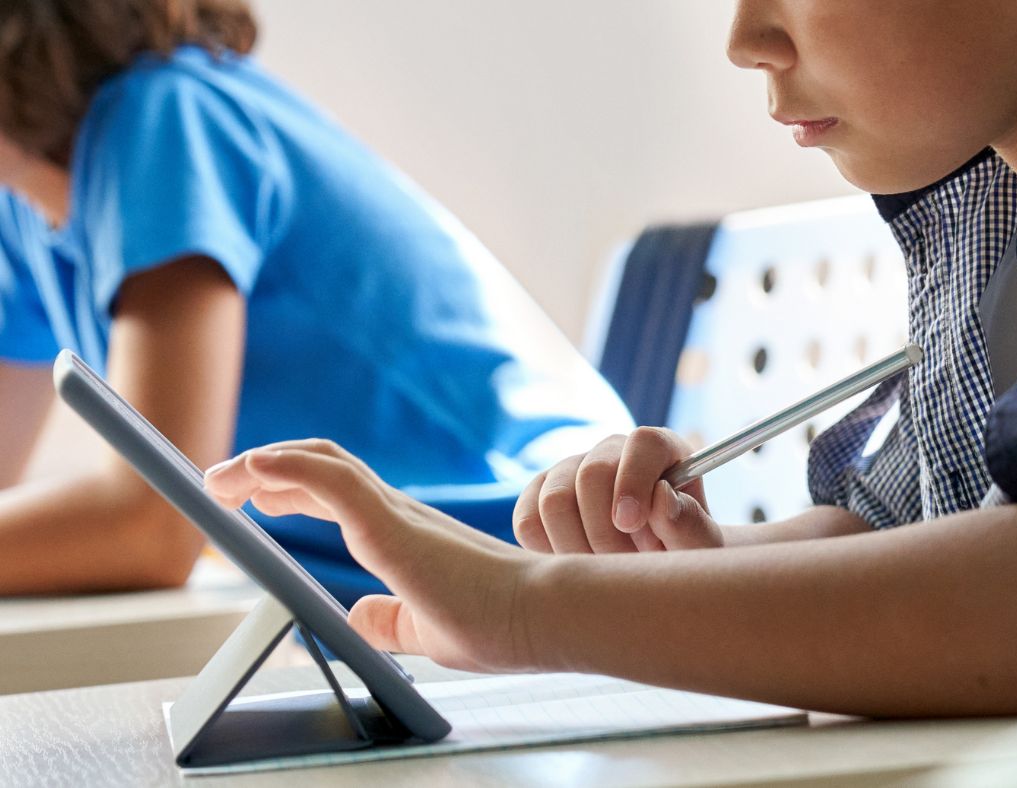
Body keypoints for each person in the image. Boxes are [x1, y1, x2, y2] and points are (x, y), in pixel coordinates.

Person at [206, 0, 1017, 716]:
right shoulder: (979, 192)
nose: (745, 37)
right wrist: (683, 577)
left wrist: (527, 605)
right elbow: (895, 525)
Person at [0, 0, 633, 606]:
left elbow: (150, 526)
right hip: (389, 576)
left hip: (543, 536)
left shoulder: (162, 116)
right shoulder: (23, 204)